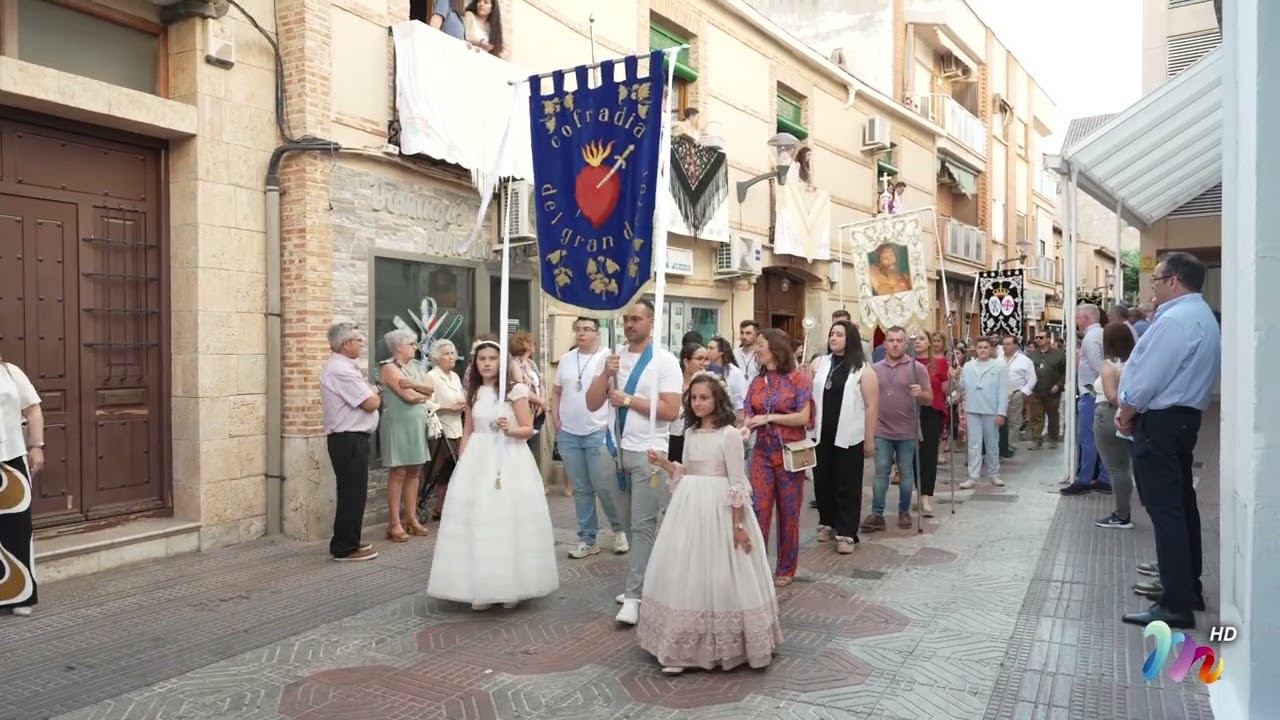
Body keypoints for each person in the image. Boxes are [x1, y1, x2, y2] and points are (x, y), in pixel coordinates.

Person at [638, 372, 782, 674]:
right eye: (694, 398)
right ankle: (680, 649)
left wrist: (739, 526)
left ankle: (728, 644)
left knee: (721, 572)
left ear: (718, 400)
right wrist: (664, 463)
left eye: (705, 397)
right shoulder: (690, 433)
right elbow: (686, 472)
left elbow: (737, 482)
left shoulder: (729, 434)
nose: (699, 403)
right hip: (689, 508)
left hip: (720, 508)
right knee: (686, 572)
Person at [1116, 252, 1220, 629]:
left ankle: (1176, 603)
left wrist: (1126, 412)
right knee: (1180, 506)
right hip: (1179, 420)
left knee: (1166, 511)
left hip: (1161, 421)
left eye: (1156, 279)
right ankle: (1185, 587)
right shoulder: (1200, 315)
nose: (1153, 286)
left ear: (1173, 281)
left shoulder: (1175, 320)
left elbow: (1148, 378)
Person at [426, 341, 559, 610]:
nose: (486, 363)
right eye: (481, 359)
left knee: (505, 518)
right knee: (479, 520)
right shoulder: (473, 392)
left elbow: (527, 429)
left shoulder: (515, 392)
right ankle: (480, 585)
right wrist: (462, 464)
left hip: (508, 456)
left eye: (492, 359)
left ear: (502, 362)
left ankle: (511, 585)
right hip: (478, 457)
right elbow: (468, 430)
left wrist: (509, 429)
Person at [585, 299, 682, 626]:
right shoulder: (612, 360)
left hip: (650, 452)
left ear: (651, 323)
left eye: (636, 319)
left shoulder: (665, 361)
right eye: (626, 319)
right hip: (616, 451)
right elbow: (592, 403)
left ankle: (636, 596)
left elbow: (671, 411)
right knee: (628, 525)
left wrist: (628, 400)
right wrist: (604, 375)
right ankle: (647, 584)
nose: (630, 324)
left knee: (643, 526)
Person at [553, 318, 628, 559]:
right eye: (578, 329)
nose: (581, 333)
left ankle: (618, 529)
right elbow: (556, 392)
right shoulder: (567, 358)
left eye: (587, 329)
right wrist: (555, 418)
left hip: (597, 430)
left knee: (604, 485)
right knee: (582, 489)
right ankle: (588, 538)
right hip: (569, 432)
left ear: (598, 333)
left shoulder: (608, 358)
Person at [744, 329, 813, 587]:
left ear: (775, 348)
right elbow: (749, 415)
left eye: (760, 344)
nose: (756, 349)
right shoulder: (757, 382)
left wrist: (770, 418)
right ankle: (757, 565)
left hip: (790, 453)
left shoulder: (798, 379)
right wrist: (744, 427)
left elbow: (803, 417)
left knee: (789, 511)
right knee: (758, 509)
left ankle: (786, 567)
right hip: (762, 452)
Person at [810, 321, 878, 552]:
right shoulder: (819, 363)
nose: (834, 338)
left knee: (846, 484)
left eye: (839, 334)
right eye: (831, 334)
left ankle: (846, 533)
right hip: (821, 434)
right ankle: (826, 522)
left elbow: (871, 406)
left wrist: (869, 440)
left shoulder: (863, 369)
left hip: (849, 436)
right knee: (822, 482)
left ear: (850, 339)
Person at [320, 322, 381, 562]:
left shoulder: (346, 367)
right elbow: (370, 402)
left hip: (352, 438)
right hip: (348, 439)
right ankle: (344, 547)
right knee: (351, 493)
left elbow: (370, 393)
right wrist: (375, 393)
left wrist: (372, 391)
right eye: (358, 340)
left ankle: (351, 540)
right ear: (346, 344)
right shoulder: (340, 370)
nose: (362, 344)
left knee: (354, 492)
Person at [861, 327, 931, 531]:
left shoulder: (917, 368)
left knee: (906, 472)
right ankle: (877, 514)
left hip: (908, 430)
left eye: (899, 340)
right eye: (890, 340)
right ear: (884, 344)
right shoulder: (874, 369)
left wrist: (921, 394)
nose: (894, 344)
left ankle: (904, 511)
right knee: (881, 471)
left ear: (905, 343)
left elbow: (930, 398)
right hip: (881, 429)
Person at [378, 329, 433, 542]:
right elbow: (408, 396)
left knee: (415, 471)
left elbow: (431, 389)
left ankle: (411, 517)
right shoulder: (389, 368)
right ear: (398, 347)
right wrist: (420, 393)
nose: (414, 347)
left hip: (416, 424)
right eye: (411, 343)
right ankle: (394, 523)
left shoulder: (415, 367)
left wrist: (419, 390)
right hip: (397, 425)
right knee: (398, 472)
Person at [0, 354, 44, 617]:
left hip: (13, 459)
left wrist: (37, 446)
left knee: (17, 527)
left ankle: (21, 595)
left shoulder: (10, 372)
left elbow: (33, 409)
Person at [1093, 323, 1138, 530]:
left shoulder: (1109, 366)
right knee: (1124, 466)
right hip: (1130, 415)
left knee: (1116, 468)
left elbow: (1112, 397)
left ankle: (1122, 514)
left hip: (1108, 414)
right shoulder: (1135, 362)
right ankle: (1123, 512)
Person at [1062, 304, 1110, 494]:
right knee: (1099, 438)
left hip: (1091, 393)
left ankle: (1085, 478)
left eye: (1077, 318)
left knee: (1087, 437)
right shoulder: (1101, 334)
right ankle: (1103, 477)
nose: (1075, 322)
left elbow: (1101, 368)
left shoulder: (1091, 338)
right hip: (1096, 392)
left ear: (1085, 318)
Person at [421, 339, 465, 521]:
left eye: (452, 353)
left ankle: (441, 509)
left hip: (457, 429)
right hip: (439, 430)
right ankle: (418, 505)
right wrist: (447, 407)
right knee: (435, 471)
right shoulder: (432, 377)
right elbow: (425, 403)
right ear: (437, 358)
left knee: (451, 471)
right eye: (447, 353)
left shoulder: (455, 376)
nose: (451, 356)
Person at [956, 337, 1008, 489]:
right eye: (980, 347)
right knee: (973, 445)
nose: (983, 350)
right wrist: (956, 377)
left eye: (986, 347)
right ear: (975, 349)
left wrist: (1001, 412)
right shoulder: (968, 366)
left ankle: (994, 473)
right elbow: (962, 387)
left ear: (991, 349)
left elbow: (1003, 390)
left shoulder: (999, 366)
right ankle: (973, 476)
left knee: (992, 444)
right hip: (973, 409)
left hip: (991, 410)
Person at [914, 333, 949, 517]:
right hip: (910, 412)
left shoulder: (940, 363)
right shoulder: (906, 362)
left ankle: (926, 495)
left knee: (928, 453)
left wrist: (953, 379)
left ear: (929, 342)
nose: (918, 341)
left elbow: (945, 391)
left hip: (932, 411)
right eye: (915, 338)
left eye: (921, 338)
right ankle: (918, 492)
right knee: (914, 454)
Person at [1025, 330, 1066, 450]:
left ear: (1048, 339)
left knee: (1053, 415)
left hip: (1052, 391)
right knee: (1036, 416)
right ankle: (1037, 440)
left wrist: (1059, 385)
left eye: (1041, 337)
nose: (1038, 339)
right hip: (1036, 390)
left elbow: (1065, 372)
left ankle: (1053, 439)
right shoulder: (1032, 355)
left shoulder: (1059, 355)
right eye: (1036, 337)